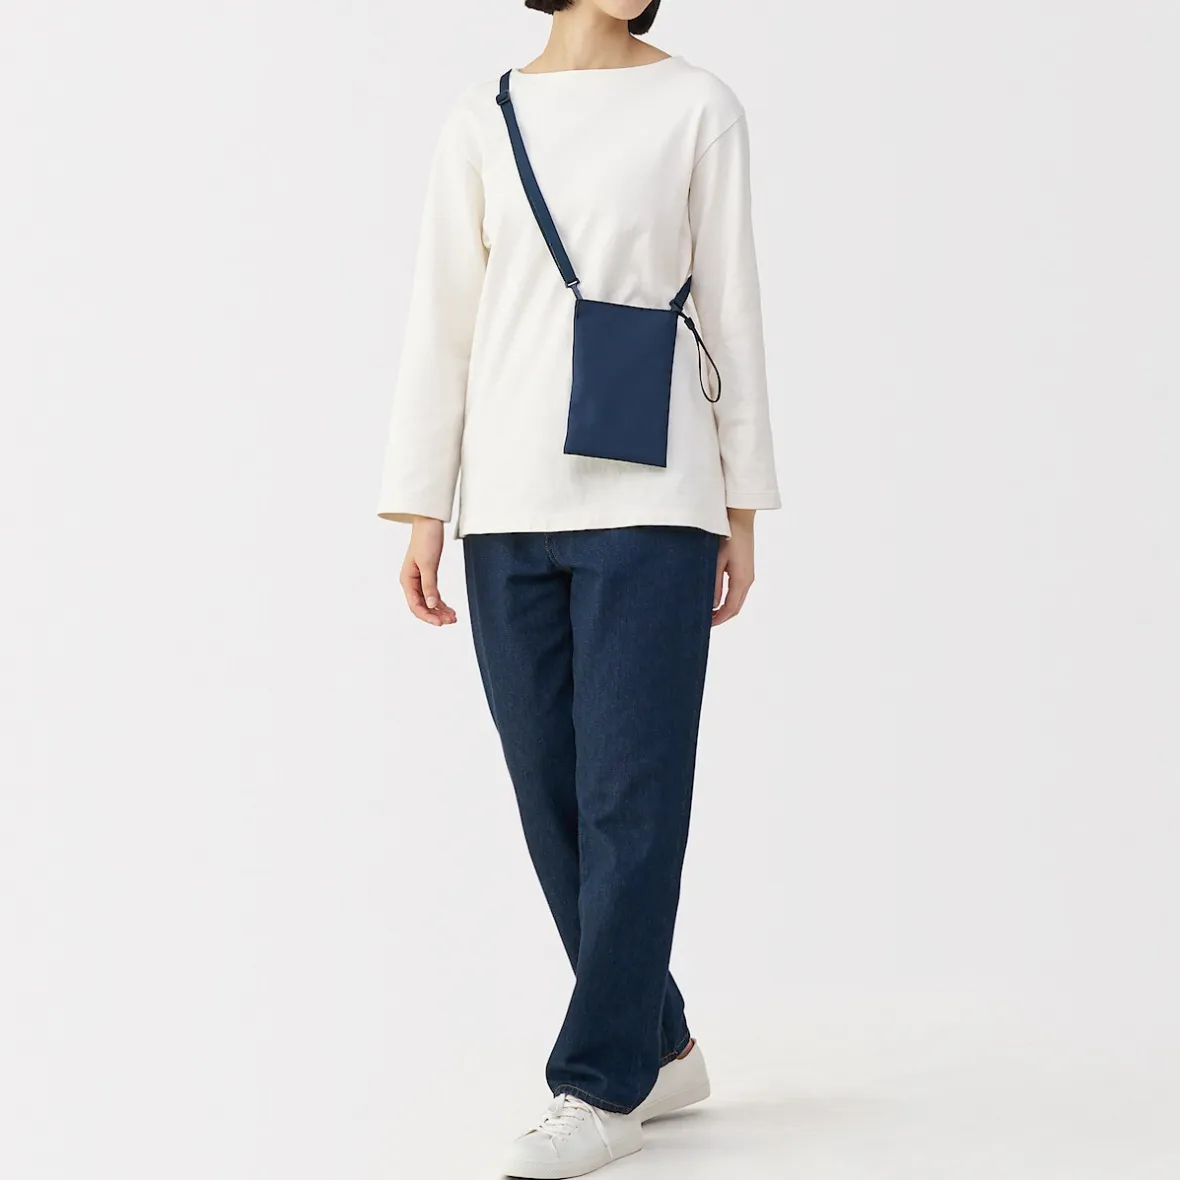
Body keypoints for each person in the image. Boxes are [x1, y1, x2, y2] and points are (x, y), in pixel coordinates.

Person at [377, 1, 780, 1175]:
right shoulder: (481, 116)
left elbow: (734, 311)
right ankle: (660, 1041)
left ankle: (598, 1085)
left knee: (630, 799)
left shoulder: (697, 106)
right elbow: (442, 319)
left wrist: (741, 505)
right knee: (551, 795)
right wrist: (422, 502)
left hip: (656, 502)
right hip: (505, 506)